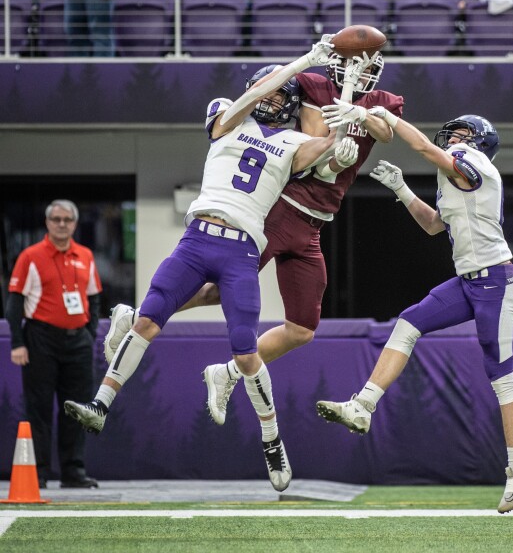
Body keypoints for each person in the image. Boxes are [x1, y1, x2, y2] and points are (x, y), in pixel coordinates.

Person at [63, 38, 358, 492]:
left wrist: (349, 107)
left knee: (246, 350)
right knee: (150, 320)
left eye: (280, 95)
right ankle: (100, 405)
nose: (271, 98)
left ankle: (271, 439)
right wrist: (302, 62)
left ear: (292, 104)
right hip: (196, 239)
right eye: (266, 91)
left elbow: (330, 149)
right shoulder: (227, 114)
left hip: (242, 249)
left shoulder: (296, 141)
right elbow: (250, 99)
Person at [103, 47, 405, 429]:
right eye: (353, 65)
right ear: (337, 64)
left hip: (316, 222)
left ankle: (225, 372)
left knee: (302, 329)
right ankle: (137, 319)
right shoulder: (313, 86)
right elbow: (317, 155)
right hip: (285, 208)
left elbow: (386, 133)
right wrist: (337, 131)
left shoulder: (383, 102)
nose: (362, 73)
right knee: (221, 289)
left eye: (370, 68)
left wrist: (358, 110)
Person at [314, 106, 513, 514]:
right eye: (451, 133)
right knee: (408, 324)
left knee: (501, 378)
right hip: (469, 281)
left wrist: (383, 117)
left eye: (462, 133)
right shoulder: (455, 175)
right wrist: (402, 190)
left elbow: (420, 146)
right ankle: (362, 406)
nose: (452, 138)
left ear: (479, 142)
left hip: (497, 282)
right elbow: (435, 225)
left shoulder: (476, 163)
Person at [6, 200, 102, 490]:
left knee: (77, 408)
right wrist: (18, 342)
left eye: (67, 219)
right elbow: (14, 303)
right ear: (48, 223)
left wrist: (90, 334)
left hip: (78, 342)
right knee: (39, 409)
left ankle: (73, 471)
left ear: (74, 224)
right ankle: (40, 472)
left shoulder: (85, 255)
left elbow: (94, 298)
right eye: (56, 219)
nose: (62, 224)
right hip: (41, 340)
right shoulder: (30, 256)